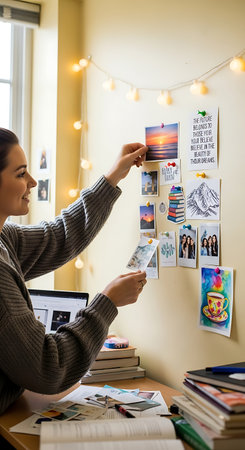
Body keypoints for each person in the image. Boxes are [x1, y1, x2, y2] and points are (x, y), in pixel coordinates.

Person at [0, 128, 148, 415]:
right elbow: (48, 368)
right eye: (20, 174)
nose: (32, 182)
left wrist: (112, 177)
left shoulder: (4, 239)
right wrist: (107, 303)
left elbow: (59, 237)